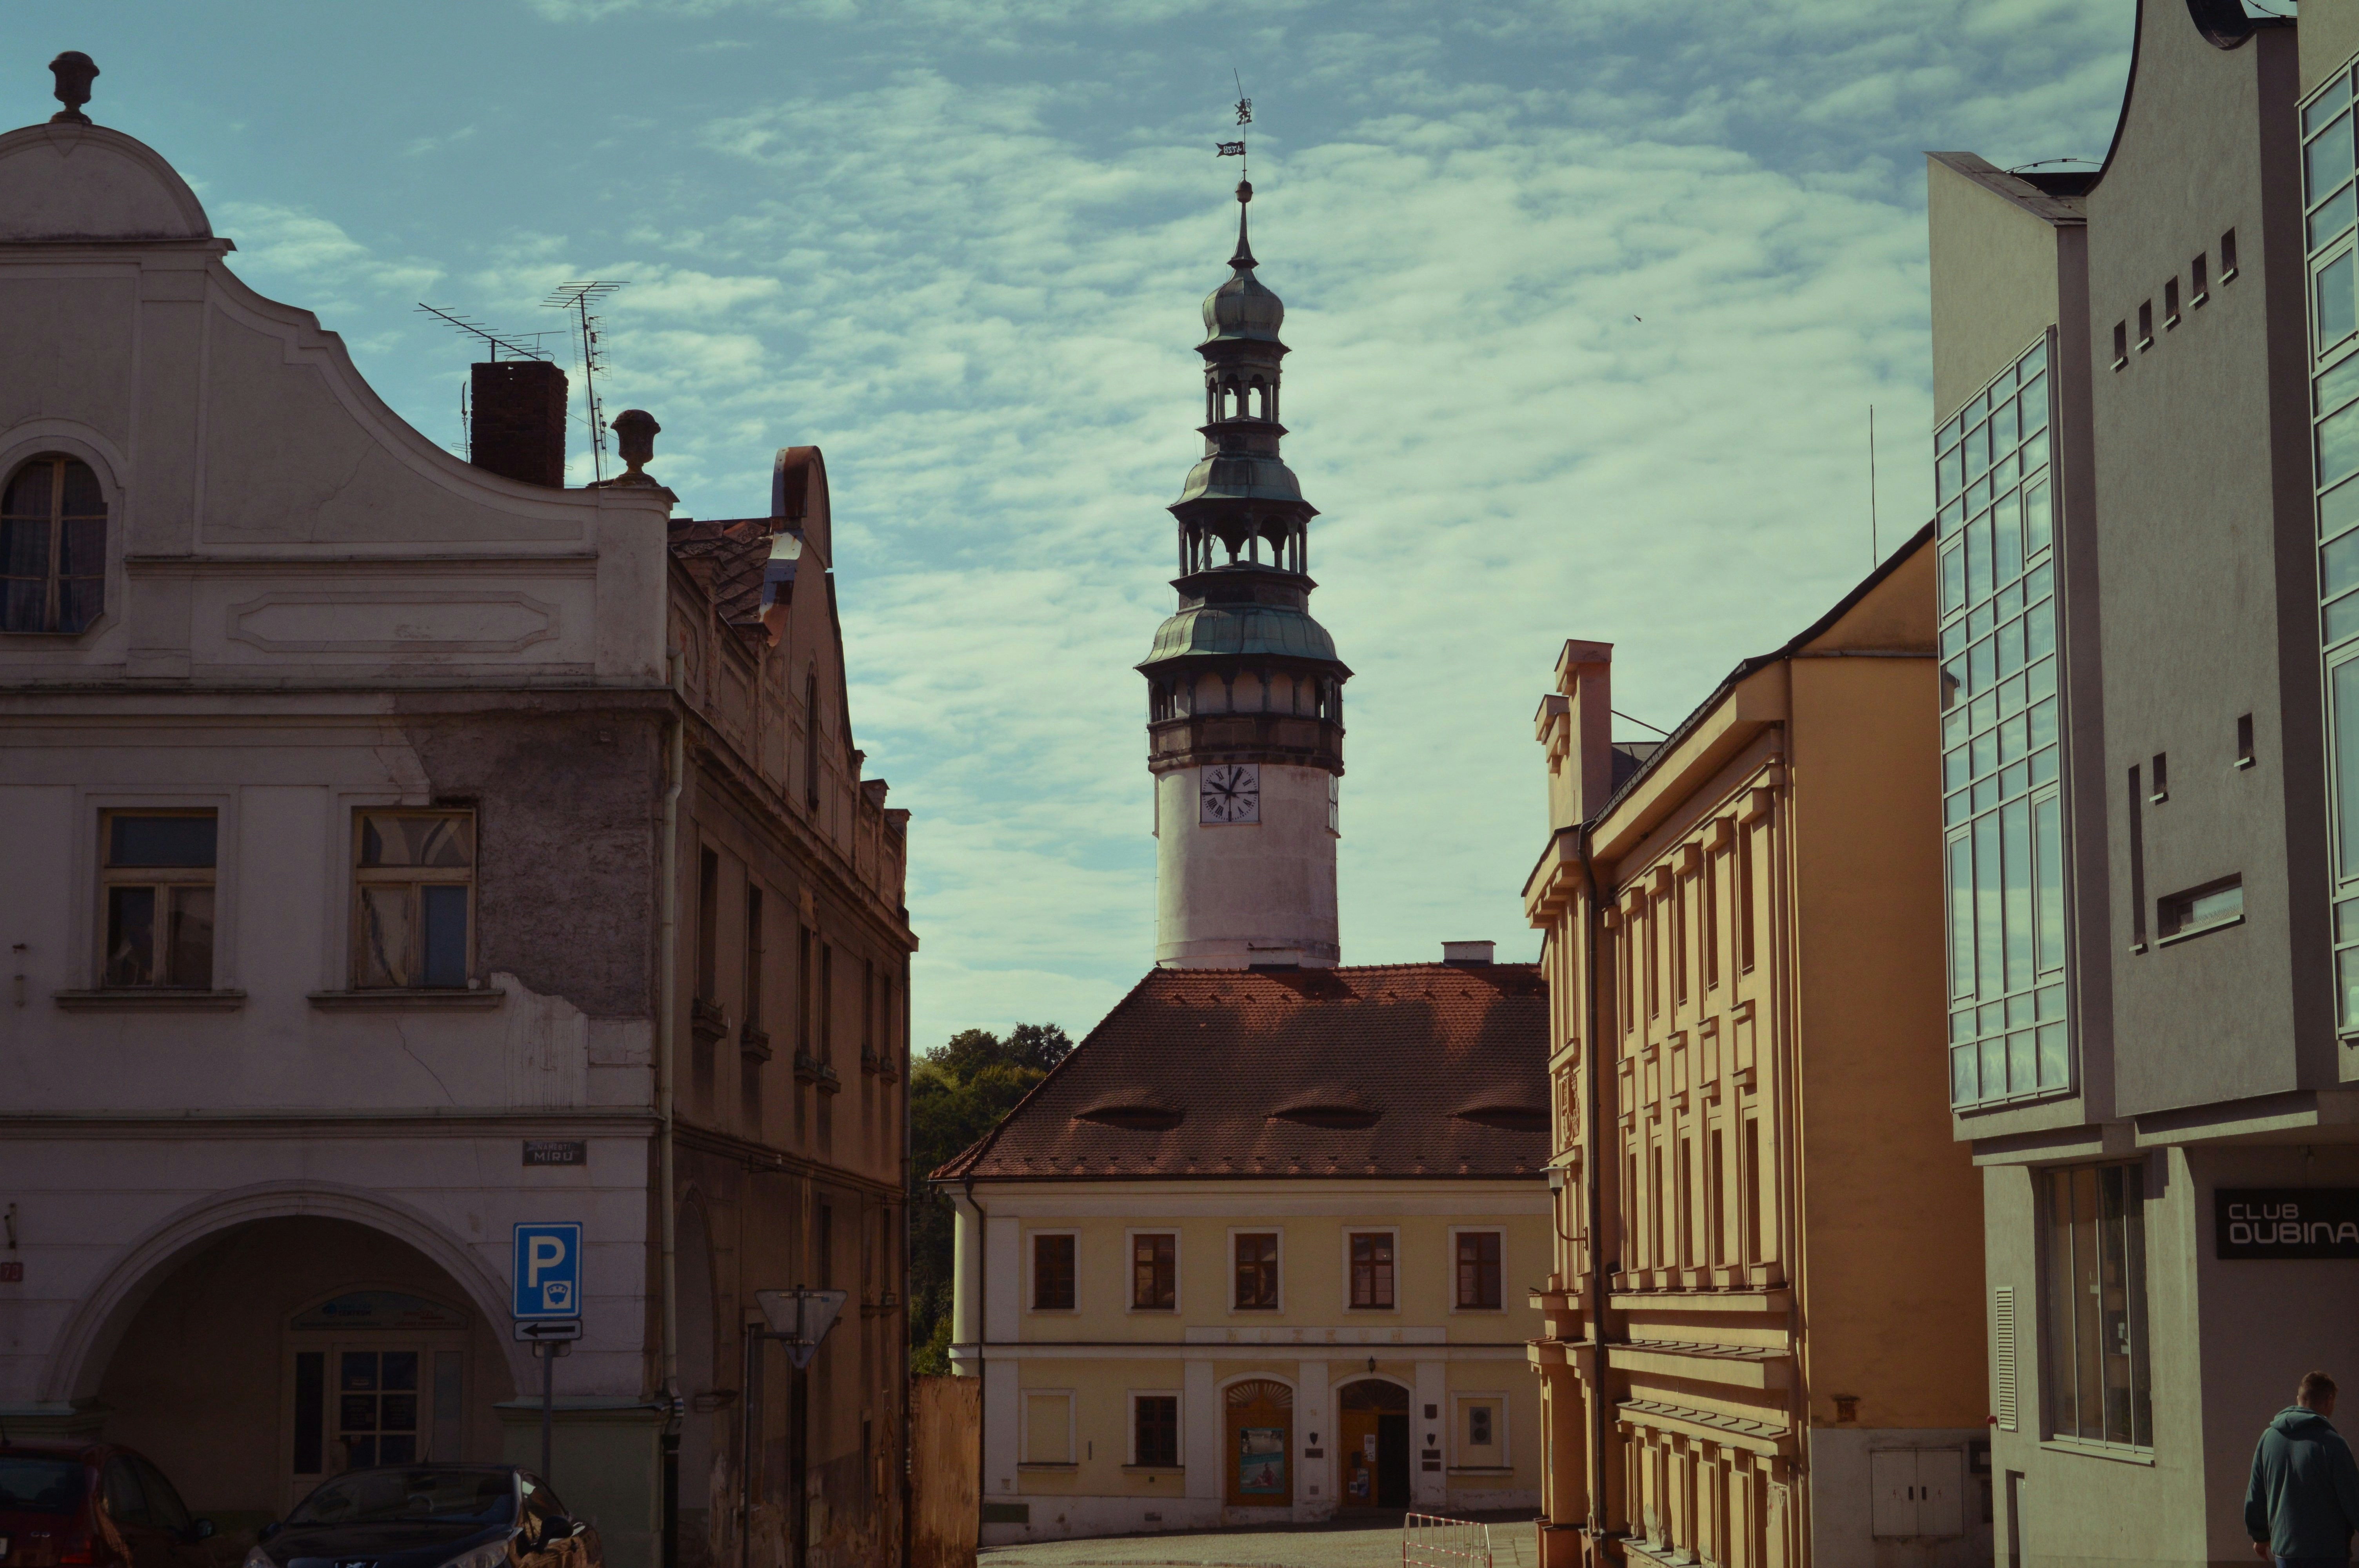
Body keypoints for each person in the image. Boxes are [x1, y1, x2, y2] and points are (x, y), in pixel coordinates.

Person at [2246, 1371, 2359, 1565]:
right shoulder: (2333, 1444)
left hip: (2285, 1551)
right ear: (2330, 1399)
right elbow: (2353, 1498)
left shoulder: (2268, 1438)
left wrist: (2260, 1536)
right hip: (2327, 1552)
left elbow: (2256, 1493)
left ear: (2299, 1399)